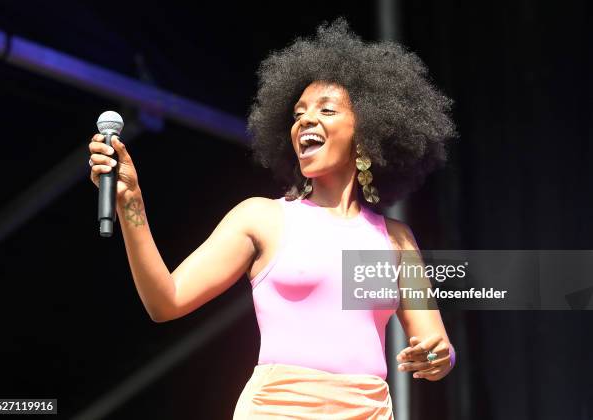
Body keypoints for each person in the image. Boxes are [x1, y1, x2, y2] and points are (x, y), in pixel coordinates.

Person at [88, 18, 457, 419]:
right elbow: (166, 301)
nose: (305, 121)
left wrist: (440, 357)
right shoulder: (263, 218)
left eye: (326, 109)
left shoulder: (396, 240)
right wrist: (132, 204)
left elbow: (437, 343)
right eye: (298, 114)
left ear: (367, 132)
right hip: (279, 409)